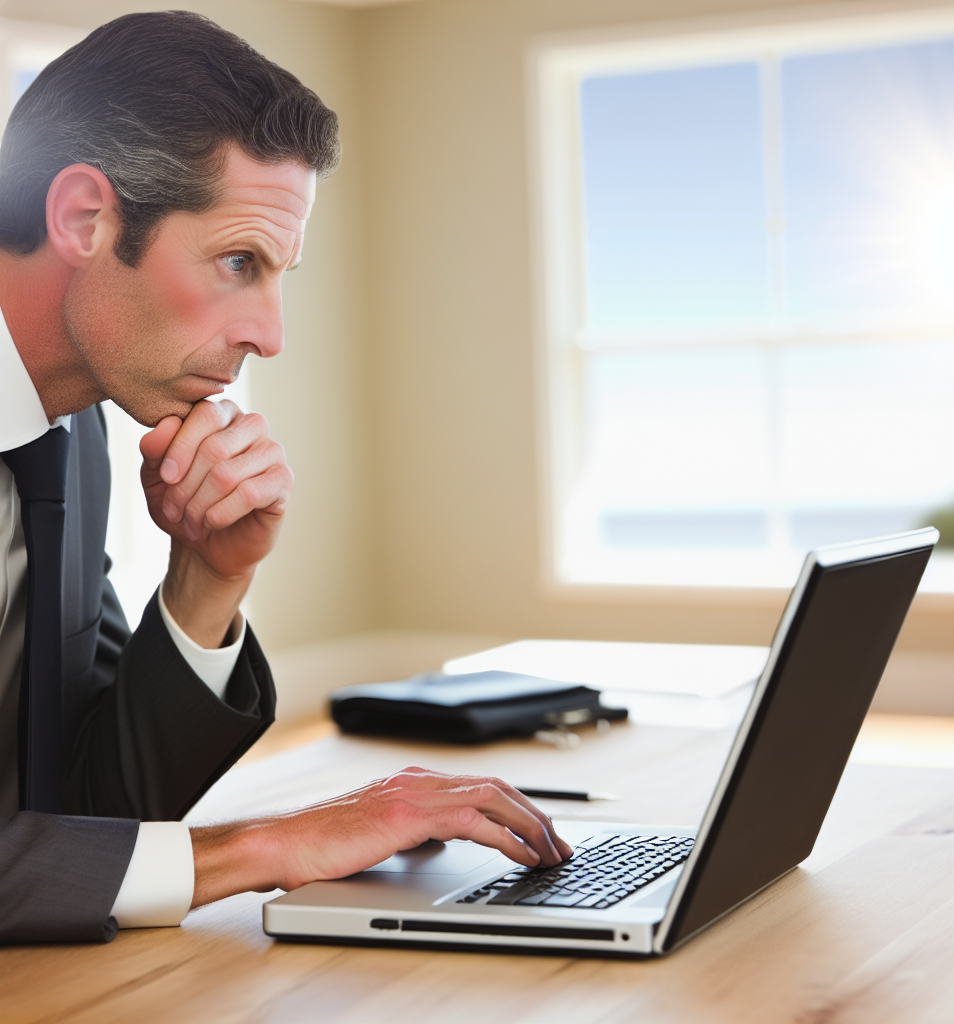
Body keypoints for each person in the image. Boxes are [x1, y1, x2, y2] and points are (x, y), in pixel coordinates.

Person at [0, 11, 569, 945]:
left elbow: (90, 811)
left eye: (277, 274)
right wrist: (272, 844)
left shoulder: (69, 442)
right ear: (83, 219)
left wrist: (208, 579)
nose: (270, 333)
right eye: (239, 261)